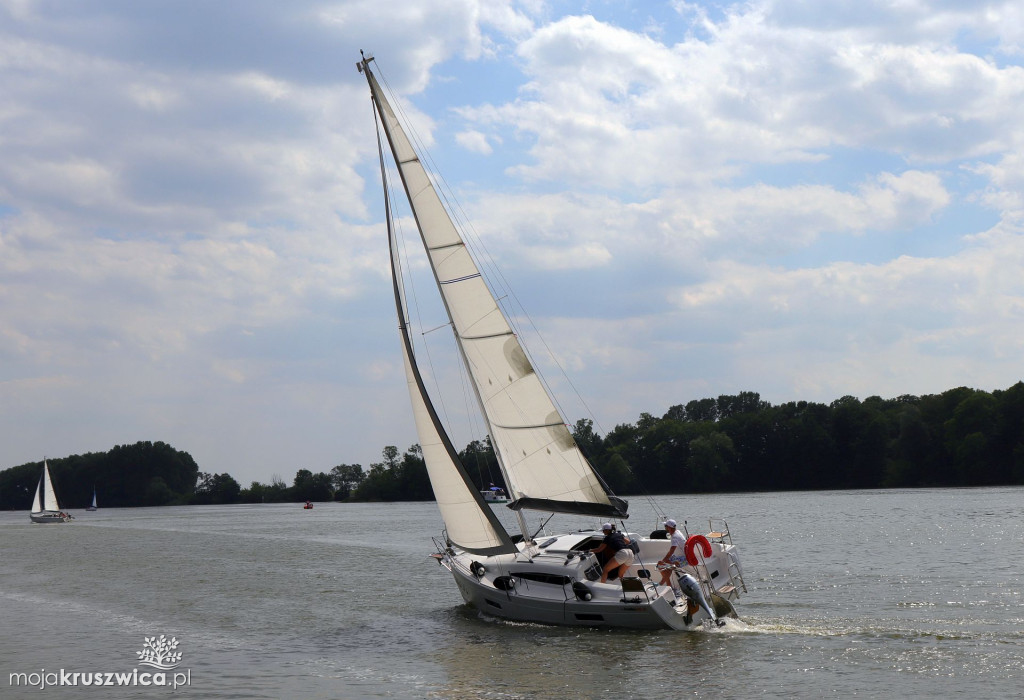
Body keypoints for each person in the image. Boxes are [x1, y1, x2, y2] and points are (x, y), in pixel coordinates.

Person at [657, 519, 687, 588]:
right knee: (661, 564)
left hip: (684, 558)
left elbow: (671, 551)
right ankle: (668, 585)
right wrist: (664, 561)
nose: (665, 528)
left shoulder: (674, 537)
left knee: (665, 566)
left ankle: (662, 583)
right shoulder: (677, 532)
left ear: (669, 527)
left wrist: (664, 560)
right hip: (680, 556)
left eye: (665, 526)